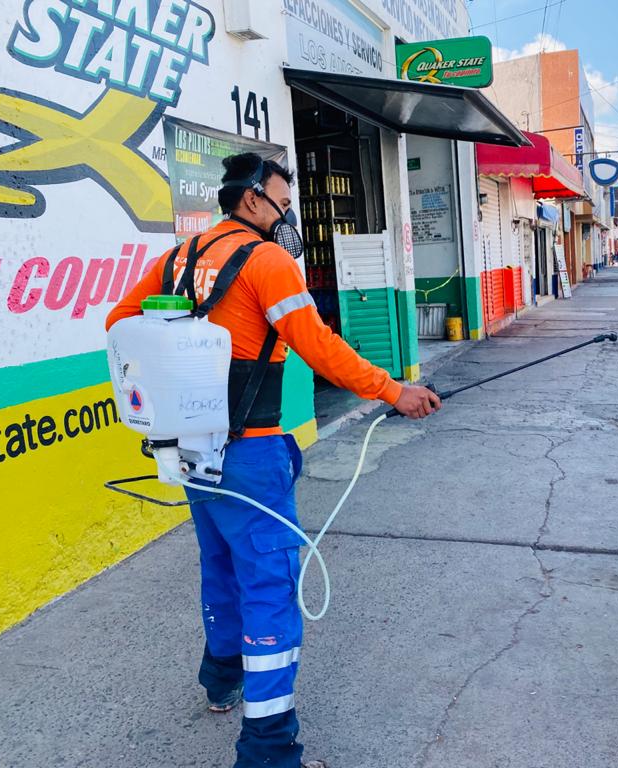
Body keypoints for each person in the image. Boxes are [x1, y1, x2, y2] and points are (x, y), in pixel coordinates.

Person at [106, 152, 440, 768]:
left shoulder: (180, 258)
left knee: (221, 563)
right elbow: (319, 346)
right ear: (252, 199)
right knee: (269, 588)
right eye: (283, 204)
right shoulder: (269, 262)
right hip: (251, 450)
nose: (287, 215)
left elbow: (121, 322)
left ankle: (221, 678)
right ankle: (268, 748)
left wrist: (182, 350)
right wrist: (395, 390)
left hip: (188, 449)